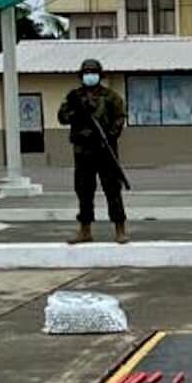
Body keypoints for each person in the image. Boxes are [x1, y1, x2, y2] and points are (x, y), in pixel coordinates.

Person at [57, 57, 128, 244]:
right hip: (83, 151)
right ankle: (85, 230)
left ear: (100, 75)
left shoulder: (111, 97)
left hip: (105, 150)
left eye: (93, 73)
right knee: (84, 191)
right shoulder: (74, 97)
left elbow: (120, 117)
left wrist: (110, 134)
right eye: (87, 73)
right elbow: (62, 117)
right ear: (82, 76)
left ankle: (120, 229)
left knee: (112, 190)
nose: (90, 76)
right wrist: (78, 112)